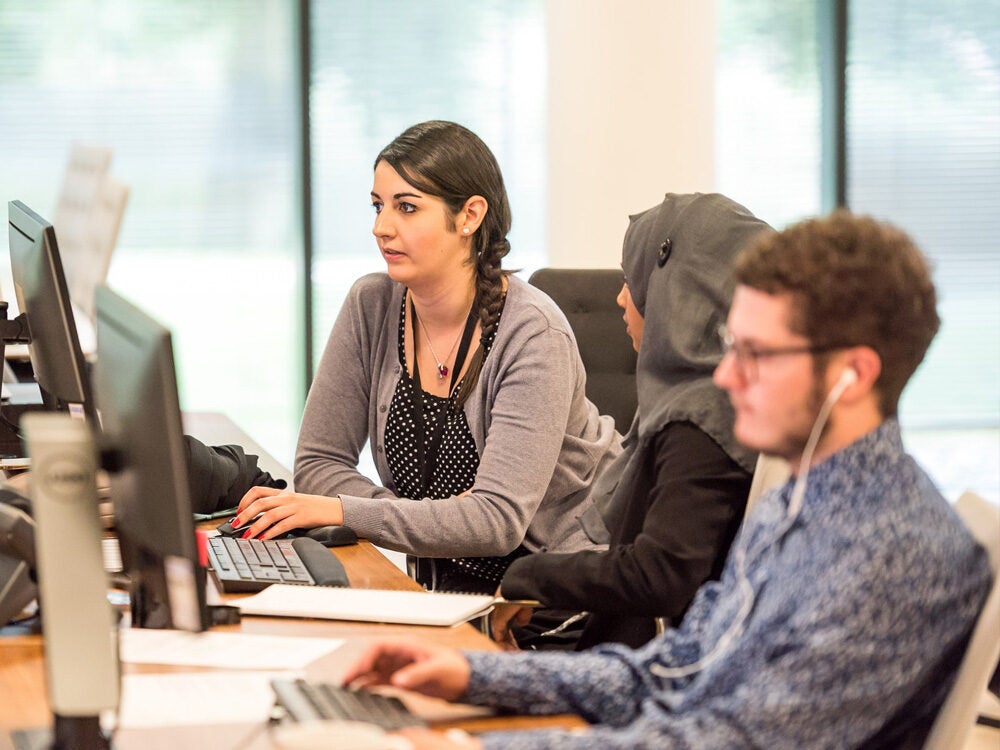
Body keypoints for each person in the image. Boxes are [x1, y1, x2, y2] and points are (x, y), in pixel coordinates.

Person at [339, 210, 993, 749]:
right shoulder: (798, 506)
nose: (728, 377)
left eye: (757, 354)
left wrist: (473, 747)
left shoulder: (891, 551)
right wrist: (473, 677)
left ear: (854, 374)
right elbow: (675, 671)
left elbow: (726, 742)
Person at [234, 121, 621, 593]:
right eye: (378, 206)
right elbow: (318, 463)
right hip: (442, 589)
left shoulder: (532, 333)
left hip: (551, 598)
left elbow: (496, 521)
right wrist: (425, 519)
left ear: (469, 216)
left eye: (407, 207)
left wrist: (346, 510)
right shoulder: (372, 305)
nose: (381, 227)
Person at [494, 193, 766, 651]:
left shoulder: (701, 419)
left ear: (677, 290)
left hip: (648, 669)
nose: (621, 298)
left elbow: (661, 575)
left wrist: (530, 576)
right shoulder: (709, 398)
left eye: (632, 280)